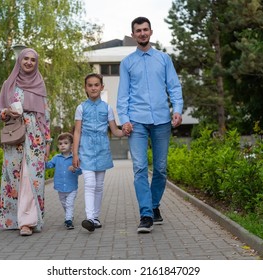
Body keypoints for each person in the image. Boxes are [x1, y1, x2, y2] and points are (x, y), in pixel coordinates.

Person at [117, 17, 184, 233]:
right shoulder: (127, 63)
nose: (142, 33)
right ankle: (146, 214)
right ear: (133, 34)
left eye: (145, 30)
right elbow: (122, 95)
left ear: (151, 32)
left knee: (161, 169)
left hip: (162, 120)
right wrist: (124, 119)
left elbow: (174, 87)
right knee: (139, 168)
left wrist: (178, 110)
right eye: (138, 30)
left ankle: (154, 205)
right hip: (136, 121)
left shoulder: (164, 59)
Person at [0, 48, 52, 236]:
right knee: (14, 177)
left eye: (33, 60)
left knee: (31, 178)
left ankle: (27, 221)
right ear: (19, 61)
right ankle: (14, 219)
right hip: (14, 134)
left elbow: (46, 115)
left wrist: (47, 142)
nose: (29, 62)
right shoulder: (9, 84)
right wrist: (6, 112)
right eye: (25, 59)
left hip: (35, 136)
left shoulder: (40, 84)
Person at [72, 73, 126, 232]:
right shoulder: (81, 108)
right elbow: (77, 132)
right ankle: (89, 218)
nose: (93, 88)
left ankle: (95, 217)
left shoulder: (107, 108)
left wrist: (126, 131)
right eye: (90, 85)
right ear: (86, 88)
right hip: (86, 150)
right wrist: (75, 154)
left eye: (96, 85)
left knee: (99, 186)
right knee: (90, 183)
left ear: (102, 87)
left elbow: (115, 130)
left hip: (102, 150)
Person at [45, 132, 82, 230]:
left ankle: (68, 221)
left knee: (69, 204)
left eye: (65, 143)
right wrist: (43, 160)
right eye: (60, 144)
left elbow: (80, 171)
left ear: (71, 146)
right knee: (64, 204)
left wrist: (75, 169)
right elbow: (48, 166)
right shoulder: (56, 158)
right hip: (60, 187)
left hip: (72, 187)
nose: (63, 145)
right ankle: (69, 216)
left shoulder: (74, 158)